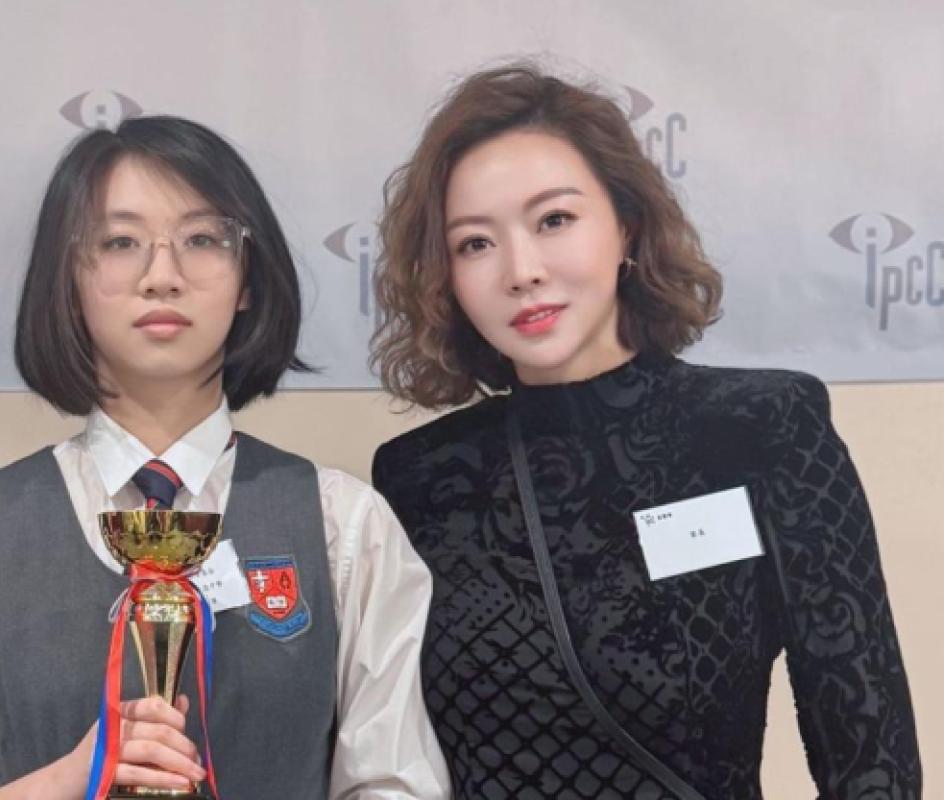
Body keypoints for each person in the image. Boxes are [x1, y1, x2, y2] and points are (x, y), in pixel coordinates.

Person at [370, 63, 921, 799]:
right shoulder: (419, 475)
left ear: (626, 224)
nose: (521, 271)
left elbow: (870, 751)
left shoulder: (758, 427)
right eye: (475, 243)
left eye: (554, 220)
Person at [0, 115, 450, 799]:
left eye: (202, 239)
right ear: (68, 278)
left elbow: (394, 782)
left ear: (248, 280)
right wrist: (69, 780)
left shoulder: (345, 525)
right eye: (120, 242)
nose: (163, 275)